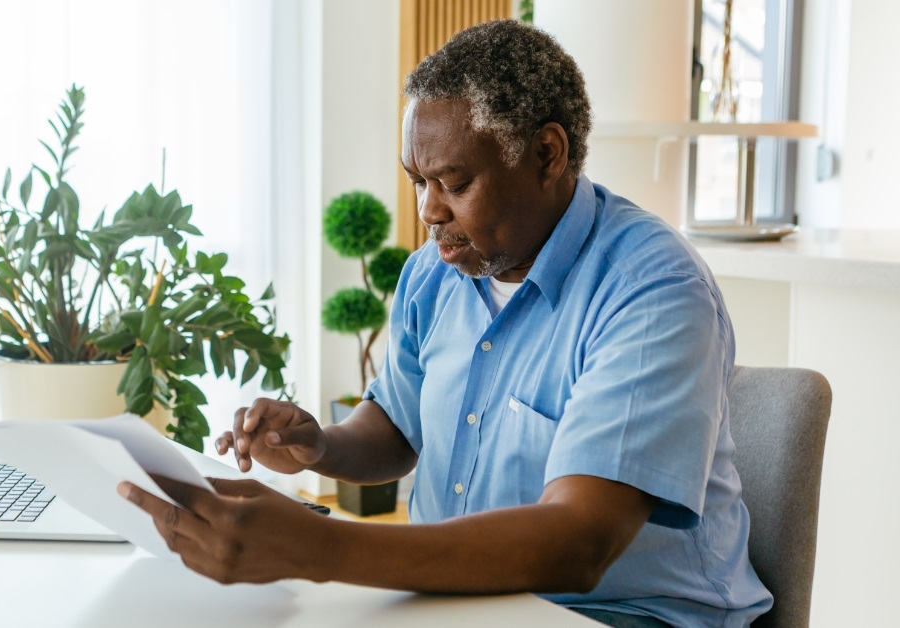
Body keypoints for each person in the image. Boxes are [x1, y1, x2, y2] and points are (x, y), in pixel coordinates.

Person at [119, 19, 771, 627]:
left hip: (623, 614)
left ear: (547, 155)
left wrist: (317, 547)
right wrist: (321, 445)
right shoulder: (436, 272)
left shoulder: (651, 289)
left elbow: (580, 543)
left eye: (454, 183)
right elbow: (399, 428)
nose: (429, 211)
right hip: (469, 604)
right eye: (417, 180)